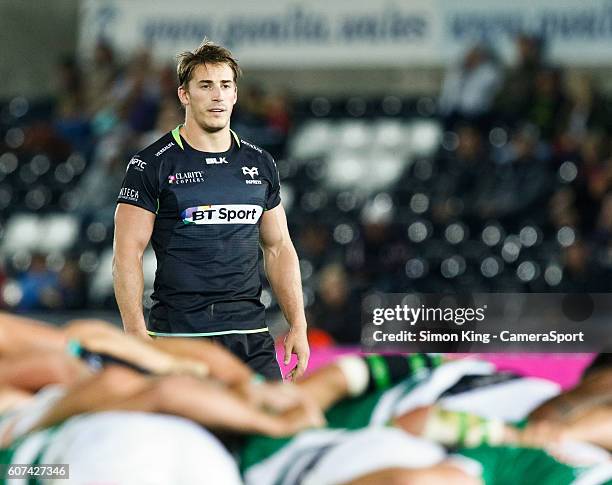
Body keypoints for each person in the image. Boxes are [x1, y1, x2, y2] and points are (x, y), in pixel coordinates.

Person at [113, 39, 309, 380]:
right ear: (184, 95)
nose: (217, 95)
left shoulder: (260, 163)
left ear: (235, 94)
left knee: (277, 428)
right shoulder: (150, 164)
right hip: (180, 337)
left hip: (251, 339)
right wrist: (135, 333)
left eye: (225, 85)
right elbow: (127, 253)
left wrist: (298, 324)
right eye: (206, 86)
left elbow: (278, 248)